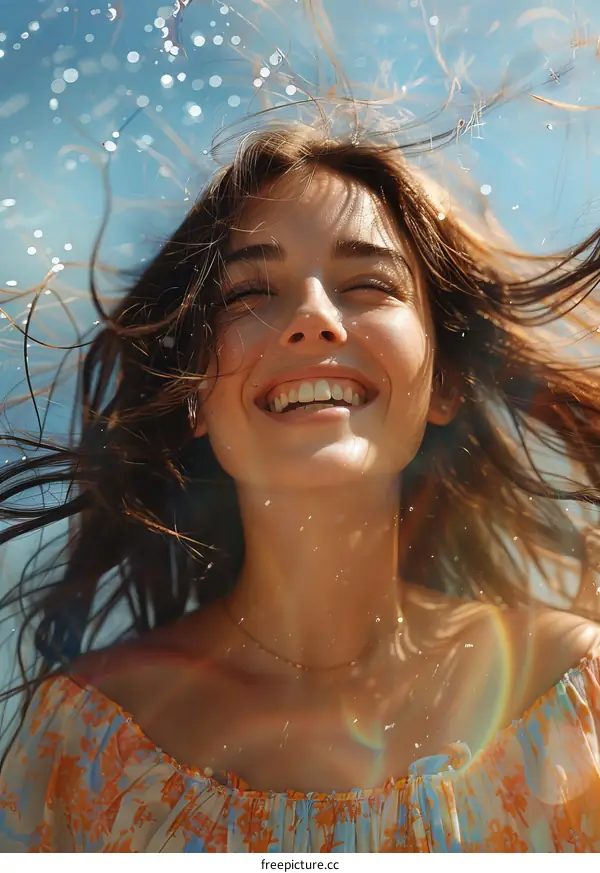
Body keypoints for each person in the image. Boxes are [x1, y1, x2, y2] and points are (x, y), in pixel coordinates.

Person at [1, 120, 600, 853]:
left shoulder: (570, 696)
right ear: (191, 390)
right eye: (250, 290)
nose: (314, 318)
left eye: (369, 284)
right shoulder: (83, 745)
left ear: (443, 380)